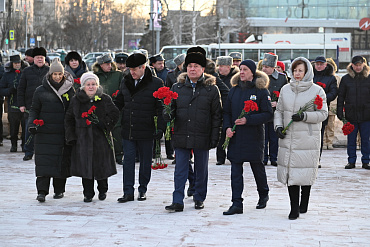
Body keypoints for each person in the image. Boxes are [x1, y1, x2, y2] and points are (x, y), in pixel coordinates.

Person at [164, 47, 222, 212]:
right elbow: (170, 108)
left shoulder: (211, 89)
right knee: (180, 169)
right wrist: (167, 114)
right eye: (189, 66)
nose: (192, 69)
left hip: (202, 134)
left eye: (196, 66)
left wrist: (214, 136)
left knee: (201, 169)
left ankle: (199, 197)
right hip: (182, 133)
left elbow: (217, 115)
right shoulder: (178, 87)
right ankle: (177, 200)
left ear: (203, 69)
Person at [274, 57, 328, 220]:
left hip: (307, 138)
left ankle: (304, 203)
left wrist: (304, 116)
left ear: (307, 72)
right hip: (289, 136)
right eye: (295, 70)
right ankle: (294, 208)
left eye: (300, 71)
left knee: (304, 172)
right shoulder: (285, 89)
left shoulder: (317, 91)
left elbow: (323, 114)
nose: (297, 74)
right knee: (291, 172)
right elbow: (279, 111)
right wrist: (277, 127)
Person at [222, 59, 273, 215]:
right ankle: (236, 202)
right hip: (236, 137)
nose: (241, 72)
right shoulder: (234, 91)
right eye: (240, 69)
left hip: (254, 137)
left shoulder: (261, 91)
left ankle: (263, 194)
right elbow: (227, 112)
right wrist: (228, 128)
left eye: (244, 69)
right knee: (235, 170)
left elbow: (268, 115)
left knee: (257, 168)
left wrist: (248, 120)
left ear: (252, 72)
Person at [115, 53, 164, 203]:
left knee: (145, 161)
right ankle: (128, 191)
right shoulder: (125, 81)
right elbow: (119, 103)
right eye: (130, 69)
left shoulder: (156, 83)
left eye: (134, 69)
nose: (132, 72)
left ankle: (143, 189)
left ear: (143, 67)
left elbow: (161, 108)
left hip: (146, 128)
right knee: (128, 160)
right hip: (128, 127)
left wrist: (160, 127)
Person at [65, 72, 119, 202]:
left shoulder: (104, 98)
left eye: (94, 84)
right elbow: (69, 118)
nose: (91, 87)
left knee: (101, 165)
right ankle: (88, 193)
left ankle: (103, 190)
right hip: (82, 139)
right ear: (83, 86)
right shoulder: (76, 100)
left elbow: (115, 114)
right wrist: (71, 136)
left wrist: (104, 124)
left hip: (101, 138)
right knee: (85, 166)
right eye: (88, 84)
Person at [28, 58, 75, 202]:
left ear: (63, 74)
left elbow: (74, 111)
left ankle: (59, 190)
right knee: (44, 162)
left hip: (62, 132)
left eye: (59, 74)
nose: (57, 77)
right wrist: (32, 124)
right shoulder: (40, 91)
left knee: (61, 162)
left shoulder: (69, 90)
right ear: (50, 75)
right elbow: (34, 110)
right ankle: (42, 191)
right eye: (54, 74)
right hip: (45, 132)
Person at [337, 55, 370, 170]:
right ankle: (351, 161)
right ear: (352, 65)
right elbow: (341, 96)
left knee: (366, 140)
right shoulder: (345, 79)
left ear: (363, 65)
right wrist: (339, 111)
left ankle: (366, 161)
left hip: (366, 115)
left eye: (360, 65)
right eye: (355, 65)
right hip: (351, 115)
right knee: (351, 140)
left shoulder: (368, 78)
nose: (358, 67)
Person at [17, 47, 49, 161]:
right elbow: (21, 89)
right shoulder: (27, 71)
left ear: (44, 59)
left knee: (45, 129)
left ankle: (44, 151)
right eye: (37, 58)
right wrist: (21, 104)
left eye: (41, 57)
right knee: (29, 129)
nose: (39, 60)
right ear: (33, 59)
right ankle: (28, 151)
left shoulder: (49, 71)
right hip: (30, 106)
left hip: (46, 106)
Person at [93, 53, 124, 165]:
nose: (109, 66)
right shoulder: (96, 76)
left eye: (110, 63)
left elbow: (123, 88)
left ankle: (119, 154)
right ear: (101, 65)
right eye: (106, 64)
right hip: (100, 107)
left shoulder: (118, 75)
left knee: (117, 130)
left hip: (115, 106)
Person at [261, 53, 288, 166]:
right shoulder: (260, 77)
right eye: (263, 66)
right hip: (263, 112)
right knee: (263, 137)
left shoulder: (281, 78)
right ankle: (263, 158)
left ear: (273, 67)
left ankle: (274, 157)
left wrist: (278, 103)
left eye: (266, 67)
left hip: (276, 112)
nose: (264, 69)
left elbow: (286, 94)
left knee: (274, 137)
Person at [0, 54, 29, 152]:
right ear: (12, 64)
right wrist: (10, 90)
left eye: (19, 63)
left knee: (25, 126)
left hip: (25, 103)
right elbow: (1, 89)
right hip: (13, 104)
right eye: (15, 63)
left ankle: (24, 145)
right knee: (13, 126)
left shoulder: (26, 72)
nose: (17, 65)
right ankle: (13, 145)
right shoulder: (7, 74)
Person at [312, 56, 338, 165]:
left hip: (322, 109)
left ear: (325, 65)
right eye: (317, 64)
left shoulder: (331, 78)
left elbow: (333, 92)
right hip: (308, 109)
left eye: (321, 64)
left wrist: (321, 99)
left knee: (319, 136)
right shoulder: (309, 75)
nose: (319, 66)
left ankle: (317, 159)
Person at [205, 58, 230, 166]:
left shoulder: (213, 76)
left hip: (221, 108)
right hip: (211, 107)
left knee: (223, 132)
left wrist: (222, 105)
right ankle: (220, 157)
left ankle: (226, 156)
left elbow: (226, 92)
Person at [323, 58, 340, 150]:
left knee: (330, 125)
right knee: (323, 125)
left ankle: (329, 142)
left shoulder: (337, 78)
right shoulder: (323, 78)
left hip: (333, 105)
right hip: (323, 105)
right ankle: (323, 142)